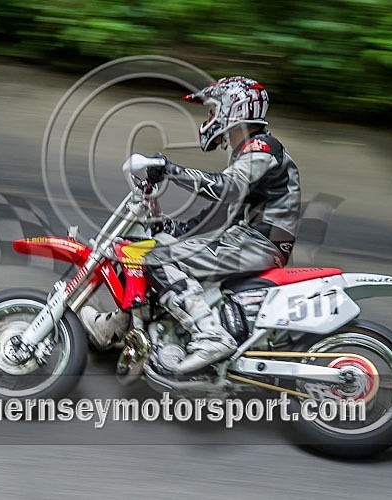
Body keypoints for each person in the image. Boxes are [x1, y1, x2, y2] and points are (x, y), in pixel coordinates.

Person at [81, 76, 302, 374]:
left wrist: (170, 169)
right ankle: (118, 327)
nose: (209, 119)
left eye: (212, 111)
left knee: (153, 258)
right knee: (148, 249)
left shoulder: (263, 147)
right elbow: (224, 212)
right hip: (245, 238)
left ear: (232, 109)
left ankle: (211, 335)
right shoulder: (250, 152)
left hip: (258, 244)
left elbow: (226, 188)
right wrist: (175, 229)